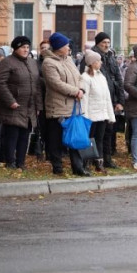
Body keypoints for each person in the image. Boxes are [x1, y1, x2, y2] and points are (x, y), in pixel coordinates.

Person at [42, 32, 90, 176]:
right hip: (57, 107)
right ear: (58, 47)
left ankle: (78, 168)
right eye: (66, 45)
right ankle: (57, 168)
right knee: (56, 140)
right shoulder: (48, 63)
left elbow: (79, 77)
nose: (69, 47)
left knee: (74, 138)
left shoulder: (68, 59)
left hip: (73, 107)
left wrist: (80, 89)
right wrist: (75, 91)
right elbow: (56, 84)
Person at [0, 36, 43, 170]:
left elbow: (37, 85)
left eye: (27, 47)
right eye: (23, 47)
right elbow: (0, 83)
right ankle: (10, 162)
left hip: (29, 106)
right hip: (14, 106)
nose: (26, 50)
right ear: (16, 48)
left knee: (24, 136)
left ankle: (21, 163)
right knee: (12, 136)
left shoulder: (32, 63)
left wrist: (38, 106)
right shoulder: (7, 62)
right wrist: (10, 101)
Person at [88, 32, 125, 168]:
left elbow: (119, 79)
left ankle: (107, 158)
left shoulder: (111, 57)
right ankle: (94, 158)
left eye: (108, 42)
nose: (106, 45)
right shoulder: (91, 57)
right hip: (96, 102)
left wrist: (120, 101)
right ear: (97, 43)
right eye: (104, 42)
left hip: (111, 100)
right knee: (96, 133)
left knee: (109, 132)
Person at [80, 50, 115, 172]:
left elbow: (107, 98)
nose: (100, 62)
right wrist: (85, 116)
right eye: (98, 60)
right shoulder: (85, 78)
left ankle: (99, 162)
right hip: (91, 115)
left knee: (99, 139)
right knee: (89, 139)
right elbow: (84, 99)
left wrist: (110, 115)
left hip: (102, 114)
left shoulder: (101, 77)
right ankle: (86, 162)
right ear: (92, 63)